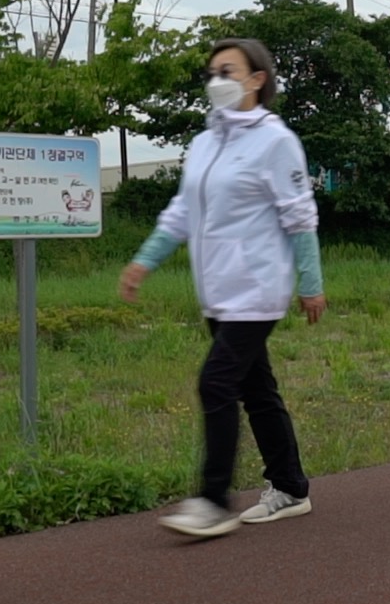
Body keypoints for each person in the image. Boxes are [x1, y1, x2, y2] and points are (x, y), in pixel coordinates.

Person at [121, 39, 325, 538]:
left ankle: (213, 501)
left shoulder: (276, 142)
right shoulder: (205, 143)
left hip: (258, 287)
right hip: (217, 290)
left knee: (216, 383)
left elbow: (299, 217)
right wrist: (144, 261)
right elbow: (182, 212)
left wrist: (311, 283)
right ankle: (290, 487)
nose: (217, 80)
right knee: (257, 390)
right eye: (212, 72)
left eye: (228, 71)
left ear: (257, 79)